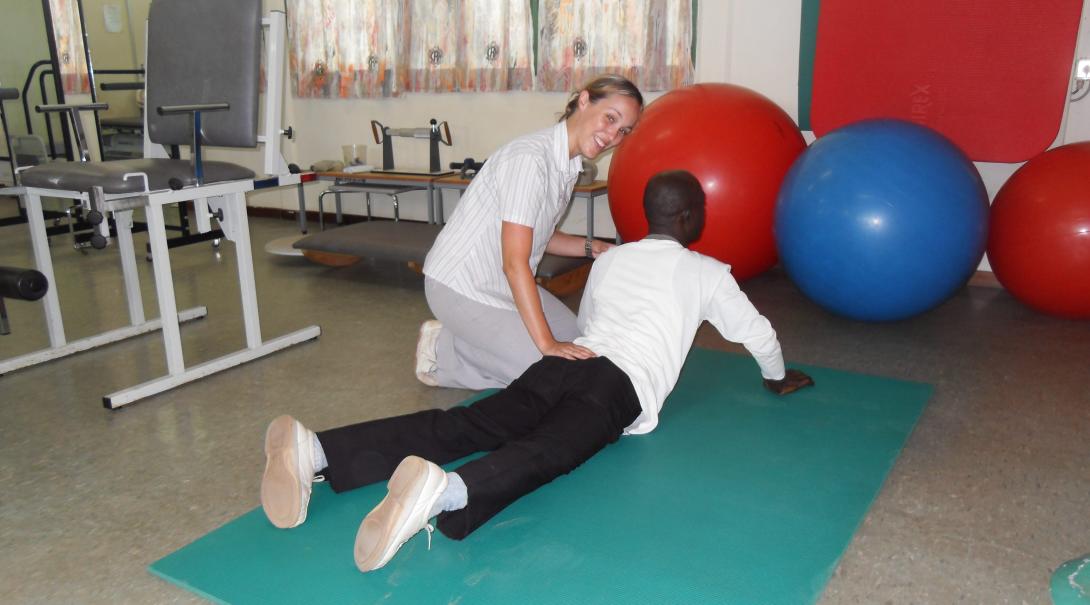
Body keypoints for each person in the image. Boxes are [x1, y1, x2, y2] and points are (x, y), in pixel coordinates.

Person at [260, 170, 814, 573]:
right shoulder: (707, 273)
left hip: (567, 361)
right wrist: (776, 376)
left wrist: (578, 351)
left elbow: (592, 321)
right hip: (617, 387)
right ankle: (445, 493)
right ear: (692, 218)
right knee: (548, 452)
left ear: (648, 216)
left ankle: (318, 449)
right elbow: (757, 332)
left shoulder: (613, 258)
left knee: (469, 427)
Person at [416, 74, 644, 390]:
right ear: (584, 101)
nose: (612, 135)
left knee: (582, 349)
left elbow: (536, 235)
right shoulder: (531, 159)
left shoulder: (568, 165)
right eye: (610, 118)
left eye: (623, 130)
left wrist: (593, 248)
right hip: (460, 286)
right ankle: (444, 350)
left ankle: (476, 340)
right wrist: (547, 345)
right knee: (553, 374)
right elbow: (515, 263)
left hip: (503, 283)